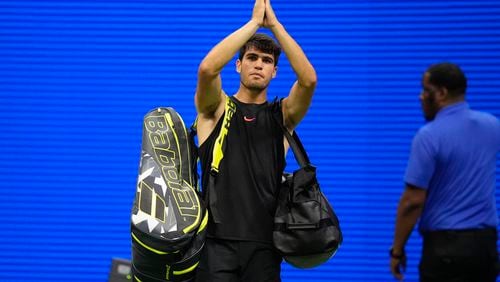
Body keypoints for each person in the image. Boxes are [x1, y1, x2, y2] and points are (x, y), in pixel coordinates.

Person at [193, 0, 317, 280]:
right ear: (238, 65)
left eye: (267, 60)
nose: (259, 64)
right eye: (252, 58)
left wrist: (274, 25)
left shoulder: (282, 115)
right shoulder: (216, 109)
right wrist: (252, 25)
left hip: (264, 248)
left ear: (274, 71)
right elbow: (207, 70)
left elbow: (308, 80)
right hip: (214, 245)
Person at [390, 62, 500, 281]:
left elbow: (413, 201)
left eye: (425, 90)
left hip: (446, 251)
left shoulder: (428, 136)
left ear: (441, 93)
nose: (421, 97)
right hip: (485, 247)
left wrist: (397, 250)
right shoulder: (493, 125)